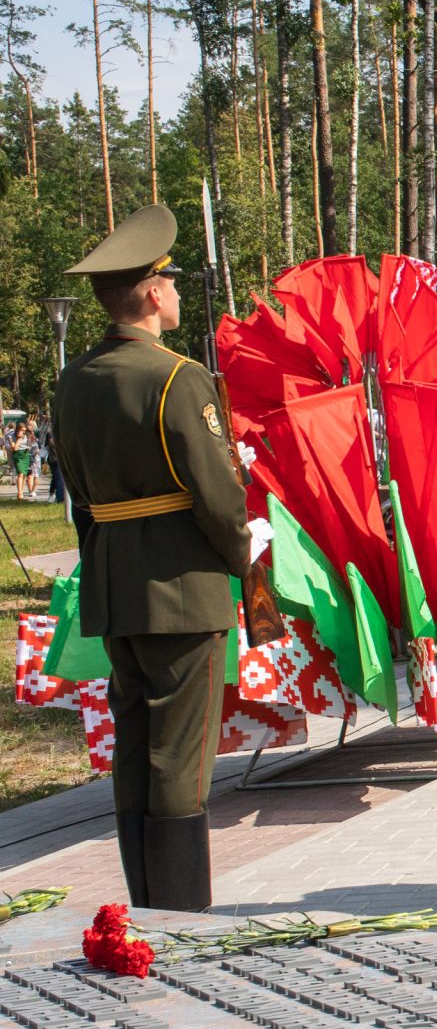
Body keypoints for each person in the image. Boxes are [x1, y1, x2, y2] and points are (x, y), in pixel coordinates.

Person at [51, 205, 253, 911]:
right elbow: (218, 497)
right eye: (167, 279)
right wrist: (245, 558)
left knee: (134, 745)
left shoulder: (74, 380)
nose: (172, 290)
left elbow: (80, 497)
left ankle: (144, 903)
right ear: (150, 292)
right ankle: (180, 910)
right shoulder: (178, 378)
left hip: (117, 586)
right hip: (182, 585)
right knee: (180, 753)